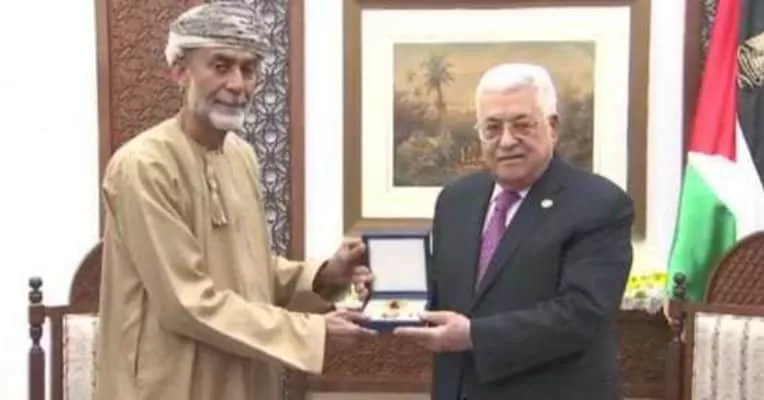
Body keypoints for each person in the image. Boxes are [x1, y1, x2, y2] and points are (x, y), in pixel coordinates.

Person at [94, 3, 376, 400]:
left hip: (244, 380)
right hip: (170, 384)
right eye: (221, 66)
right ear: (180, 71)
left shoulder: (241, 156)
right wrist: (310, 333)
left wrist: (325, 276)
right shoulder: (144, 166)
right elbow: (185, 301)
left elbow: (249, 274)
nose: (238, 84)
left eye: (249, 69)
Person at [394, 63, 634, 399]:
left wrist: (474, 336)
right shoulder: (456, 199)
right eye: (492, 128)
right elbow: (447, 291)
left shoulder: (599, 203)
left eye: (522, 125)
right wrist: (388, 289)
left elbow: (582, 313)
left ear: (552, 127)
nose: (506, 141)